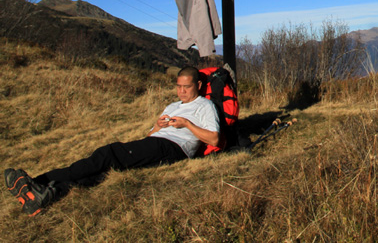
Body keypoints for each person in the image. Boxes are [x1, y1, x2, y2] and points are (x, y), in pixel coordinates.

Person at [4, 66, 219, 216]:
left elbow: (216, 138)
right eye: (178, 86)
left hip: (174, 148)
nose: (181, 91)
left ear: (198, 85)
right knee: (106, 172)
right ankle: (49, 194)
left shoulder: (205, 106)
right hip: (157, 143)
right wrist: (157, 126)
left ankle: (38, 182)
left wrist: (186, 125)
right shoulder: (172, 106)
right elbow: (150, 135)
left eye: (187, 87)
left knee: (108, 153)